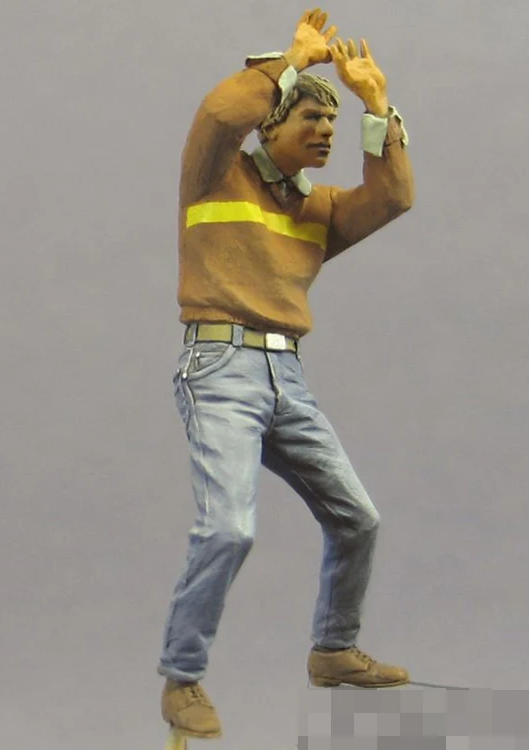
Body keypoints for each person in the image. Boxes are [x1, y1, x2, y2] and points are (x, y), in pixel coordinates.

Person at [158, 7, 415, 739]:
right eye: (313, 116)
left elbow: (393, 197)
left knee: (357, 518)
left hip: (285, 378)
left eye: (333, 122)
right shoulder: (214, 175)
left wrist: (377, 105)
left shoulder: (319, 209)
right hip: (220, 369)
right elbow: (219, 114)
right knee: (229, 529)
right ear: (272, 121)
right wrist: (290, 63)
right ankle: (183, 675)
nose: (327, 131)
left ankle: (333, 649)